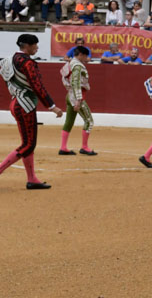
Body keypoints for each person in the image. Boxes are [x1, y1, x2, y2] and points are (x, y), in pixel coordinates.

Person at [0, 34, 64, 190]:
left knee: (27, 143)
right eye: (35, 45)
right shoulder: (28, 63)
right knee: (28, 145)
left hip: (16, 102)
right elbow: (37, 86)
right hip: (25, 105)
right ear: (26, 46)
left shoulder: (9, 59)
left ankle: (32, 179)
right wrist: (52, 106)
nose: (37, 47)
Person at [59, 45, 96, 156]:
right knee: (89, 121)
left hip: (69, 95)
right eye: (85, 56)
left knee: (69, 122)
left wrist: (70, 91)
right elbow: (76, 83)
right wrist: (78, 100)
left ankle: (63, 147)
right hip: (76, 97)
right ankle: (84, 147)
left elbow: (64, 77)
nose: (86, 58)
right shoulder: (78, 66)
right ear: (81, 55)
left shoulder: (69, 63)